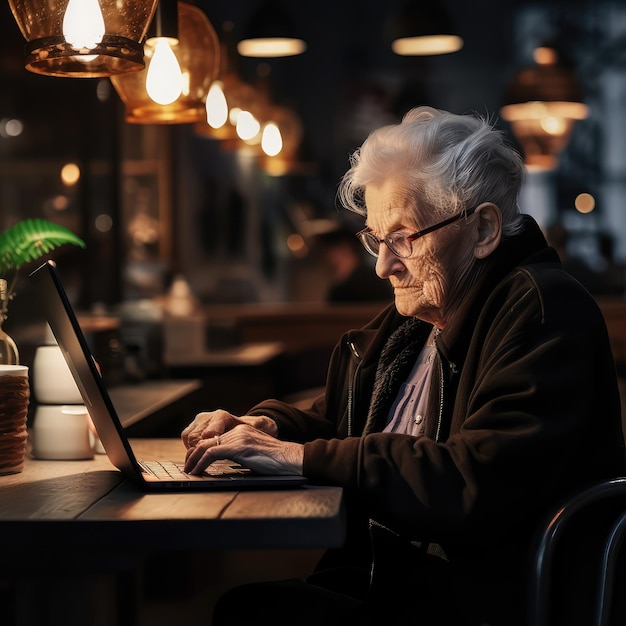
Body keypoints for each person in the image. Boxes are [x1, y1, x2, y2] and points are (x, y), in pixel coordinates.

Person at [181, 107, 626, 626]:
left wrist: (298, 457)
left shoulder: (543, 310)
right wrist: (265, 426)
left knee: (251, 613)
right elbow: (339, 418)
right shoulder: (418, 320)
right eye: (375, 239)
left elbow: (470, 481)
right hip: (391, 581)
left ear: (483, 229)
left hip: (480, 602)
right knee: (252, 607)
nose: (382, 265)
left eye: (404, 239)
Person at [315, 225, 393, 302]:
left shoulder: (345, 288)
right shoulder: (375, 277)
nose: (326, 257)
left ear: (344, 249)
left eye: (329, 251)